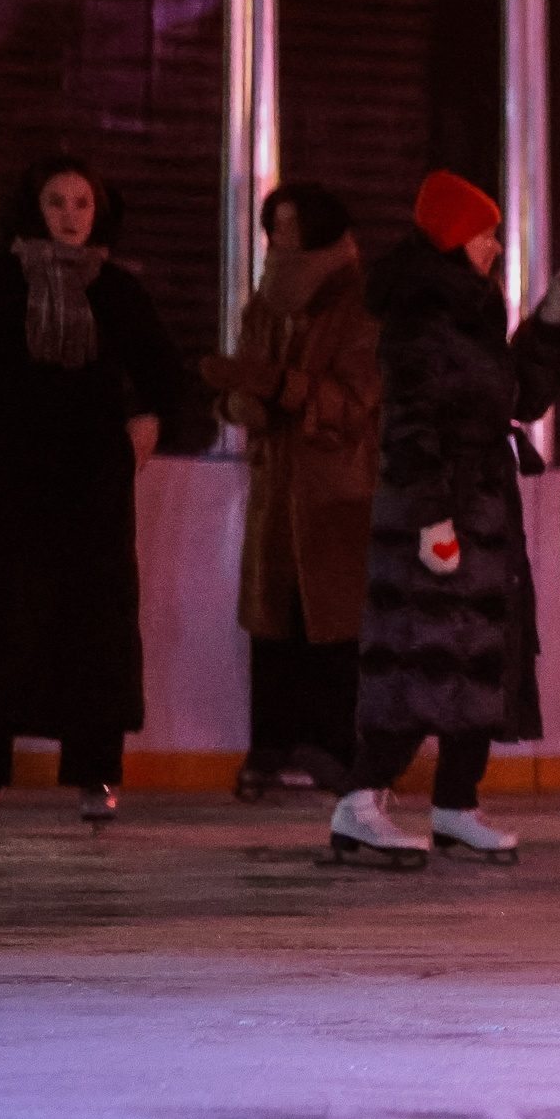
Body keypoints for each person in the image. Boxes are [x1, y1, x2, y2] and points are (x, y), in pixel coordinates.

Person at [326, 172, 560, 867]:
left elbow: (519, 396)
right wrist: (432, 519)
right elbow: (411, 426)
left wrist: (551, 321)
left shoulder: (471, 310)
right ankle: (360, 799)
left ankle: (456, 803)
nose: (496, 246)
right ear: (453, 235)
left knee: (478, 664)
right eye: (486, 232)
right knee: (417, 661)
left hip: (483, 508)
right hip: (438, 516)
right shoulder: (421, 317)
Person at [0, 154, 184, 823]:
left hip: (90, 485)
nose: (70, 216)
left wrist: (150, 414)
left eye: (82, 204)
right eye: (56, 202)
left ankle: (96, 775)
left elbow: (168, 374)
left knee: (93, 628)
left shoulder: (118, 290)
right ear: (32, 208)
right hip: (3, 481)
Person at [202, 182, 379, 800]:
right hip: (275, 490)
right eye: (274, 227)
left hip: (336, 496)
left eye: (292, 228)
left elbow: (353, 406)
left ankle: (330, 750)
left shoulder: (361, 305)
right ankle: (270, 749)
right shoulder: (265, 303)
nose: (280, 240)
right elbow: (242, 391)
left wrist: (277, 385)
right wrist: (239, 399)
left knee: (330, 625)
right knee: (272, 622)